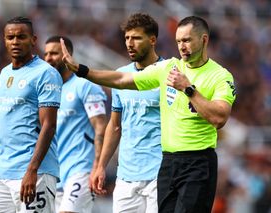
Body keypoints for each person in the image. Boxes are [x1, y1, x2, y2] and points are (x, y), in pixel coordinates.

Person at [60, 16, 237, 213]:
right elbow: (121, 79)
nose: (182, 46)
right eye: (178, 41)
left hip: (198, 162)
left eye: (187, 40)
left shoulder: (220, 76)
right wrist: (82, 70)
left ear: (204, 40)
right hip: (168, 163)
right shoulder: (169, 68)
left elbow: (219, 118)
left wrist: (188, 89)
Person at [0, 16, 63, 212]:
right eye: (10, 37)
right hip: (1, 172)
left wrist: (32, 170)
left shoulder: (46, 73)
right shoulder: (4, 74)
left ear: (33, 40)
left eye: (21, 37)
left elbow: (49, 125)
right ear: (4, 40)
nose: (15, 42)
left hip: (35, 172)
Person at [91, 13, 162, 212]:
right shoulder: (121, 75)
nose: (130, 43)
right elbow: (115, 126)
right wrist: (101, 166)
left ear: (152, 40)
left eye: (136, 38)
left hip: (159, 173)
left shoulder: (167, 74)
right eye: (127, 38)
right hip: (126, 175)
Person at [44, 35, 108, 213]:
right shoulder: (47, 92)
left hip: (81, 169)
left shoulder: (85, 85)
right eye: (46, 54)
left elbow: (101, 126)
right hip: (54, 174)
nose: (49, 58)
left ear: (68, 55)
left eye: (55, 53)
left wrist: (97, 166)